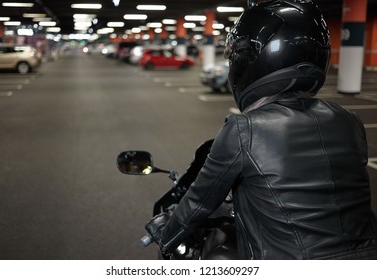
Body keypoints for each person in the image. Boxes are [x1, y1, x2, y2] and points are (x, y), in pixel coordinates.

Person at [145, 0, 377, 259]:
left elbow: (199, 202)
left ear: (254, 59)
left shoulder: (244, 129)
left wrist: (165, 236)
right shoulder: (350, 121)